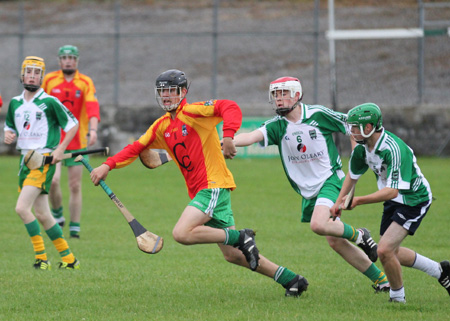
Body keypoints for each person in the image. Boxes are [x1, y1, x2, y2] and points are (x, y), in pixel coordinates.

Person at [89, 69, 308, 297]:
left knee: (181, 233)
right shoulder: (161, 126)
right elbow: (136, 148)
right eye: (162, 92)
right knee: (232, 255)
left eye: (171, 91)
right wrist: (108, 165)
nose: (166, 96)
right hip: (203, 192)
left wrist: (230, 136)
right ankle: (291, 279)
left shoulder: (195, 112)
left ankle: (242, 236)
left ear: (183, 92)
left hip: (212, 186)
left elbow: (229, 106)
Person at [233, 77, 390, 293]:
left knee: (318, 225)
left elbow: (352, 125)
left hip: (331, 181)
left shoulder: (318, 114)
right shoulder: (277, 126)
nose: (279, 99)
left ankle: (361, 235)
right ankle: (382, 281)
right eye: (275, 95)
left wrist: (356, 154)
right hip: (308, 192)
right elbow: (251, 136)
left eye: (284, 93)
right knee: (335, 241)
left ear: (297, 95)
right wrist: (229, 141)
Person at [331, 102, 450, 303]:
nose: (351, 131)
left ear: (368, 128)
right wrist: (338, 202)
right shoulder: (362, 148)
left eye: (354, 127)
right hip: (392, 198)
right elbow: (352, 176)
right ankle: (440, 272)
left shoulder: (392, 149)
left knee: (384, 250)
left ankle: (397, 299)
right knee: (391, 251)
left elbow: (393, 190)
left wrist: (358, 200)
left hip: (414, 199)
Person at [3, 56, 80, 270]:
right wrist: (8, 135)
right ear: (22, 74)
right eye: (29, 71)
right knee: (44, 215)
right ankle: (69, 259)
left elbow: (73, 124)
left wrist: (60, 148)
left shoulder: (50, 102)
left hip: (43, 162)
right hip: (24, 162)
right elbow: (10, 127)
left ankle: (41, 258)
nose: (33, 76)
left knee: (21, 208)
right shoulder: (15, 103)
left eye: (37, 73)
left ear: (42, 77)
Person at [42, 45, 101, 238]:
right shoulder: (49, 80)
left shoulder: (85, 82)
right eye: (65, 57)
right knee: (53, 180)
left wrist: (93, 130)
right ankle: (58, 214)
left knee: (75, 185)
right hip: (54, 141)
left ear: (77, 61)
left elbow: (92, 106)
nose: (68, 61)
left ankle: (75, 227)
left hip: (77, 141)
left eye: (72, 58)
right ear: (59, 61)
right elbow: (39, 105)